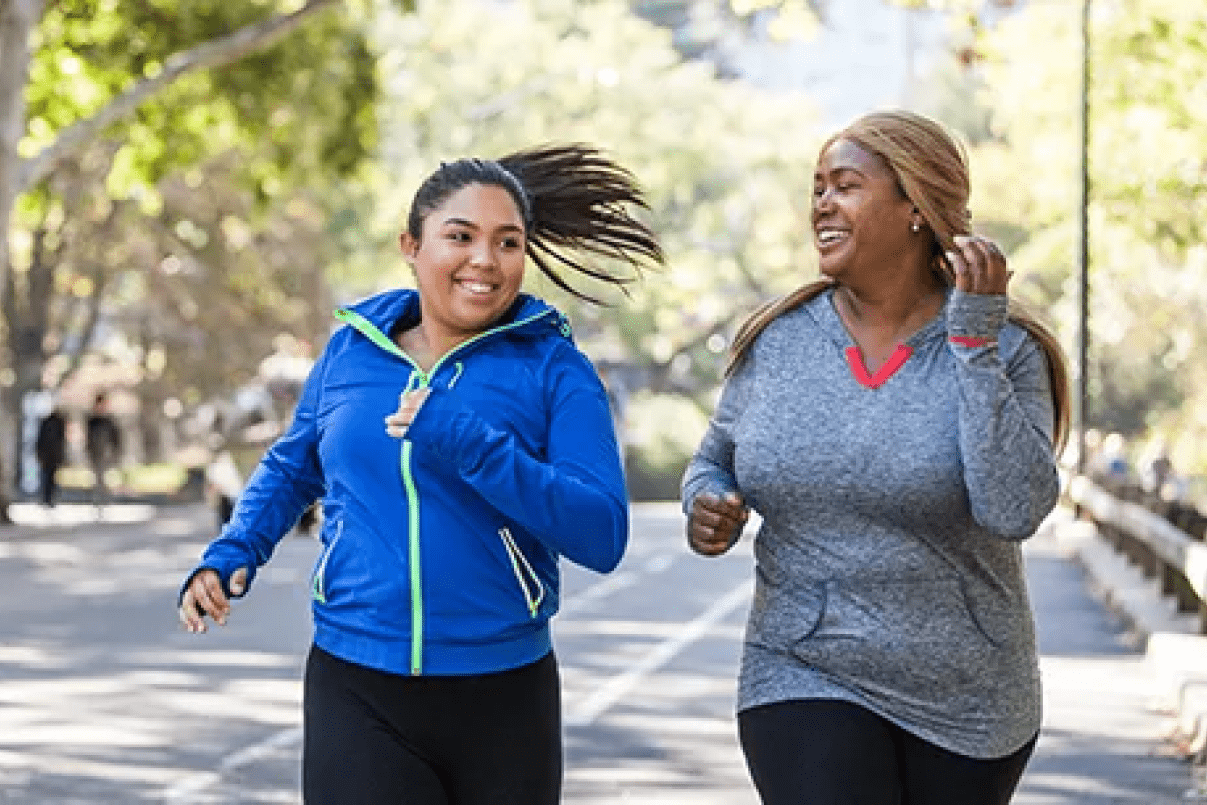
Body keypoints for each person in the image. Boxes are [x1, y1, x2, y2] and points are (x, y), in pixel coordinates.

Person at [178, 144, 662, 804]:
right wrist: (232, 551)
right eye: (459, 236)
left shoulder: (556, 369)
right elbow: (295, 463)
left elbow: (600, 531)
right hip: (356, 680)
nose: (484, 261)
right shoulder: (353, 348)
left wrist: (470, 443)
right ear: (411, 245)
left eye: (507, 242)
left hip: (502, 695)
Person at [682, 110, 1070, 805]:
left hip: (968, 696)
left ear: (915, 208)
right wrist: (704, 502)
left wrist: (972, 343)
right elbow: (713, 458)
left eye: (846, 185)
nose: (821, 204)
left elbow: (1012, 508)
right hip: (799, 667)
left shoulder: (1008, 347)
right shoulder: (778, 340)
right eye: (817, 188)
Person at [85, 391, 122, 504]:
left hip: (106, 453)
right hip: (95, 453)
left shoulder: (109, 421)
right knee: (97, 477)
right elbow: (89, 437)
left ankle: (103, 497)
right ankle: (99, 497)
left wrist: (116, 452)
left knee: (104, 476)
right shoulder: (92, 420)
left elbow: (116, 438)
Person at [34, 406, 67, 507]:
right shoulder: (53, 423)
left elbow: (61, 441)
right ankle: (47, 498)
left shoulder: (57, 423)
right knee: (48, 478)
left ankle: (49, 498)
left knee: (50, 478)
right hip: (50, 456)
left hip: (50, 456)